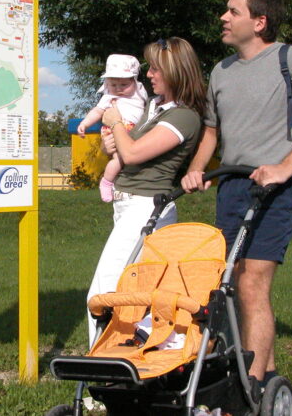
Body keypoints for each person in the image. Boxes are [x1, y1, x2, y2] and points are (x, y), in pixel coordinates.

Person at [181, 0, 292, 388]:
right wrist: (197, 168)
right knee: (232, 283)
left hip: (275, 188)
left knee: (252, 282)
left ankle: (246, 389)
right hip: (231, 187)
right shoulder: (221, 70)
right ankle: (266, 381)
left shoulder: (290, 59)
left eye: (233, 11)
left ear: (260, 21)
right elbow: (212, 131)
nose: (224, 18)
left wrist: (284, 168)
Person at [86, 37, 207, 345]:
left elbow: (133, 154)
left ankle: (101, 365)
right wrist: (109, 143)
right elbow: (123, 148)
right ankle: (133, 358)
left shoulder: (183, 116)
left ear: (175, 72)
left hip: (146, 207)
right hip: (128, 205)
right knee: (134, 293)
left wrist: (114, 123)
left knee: (104, 292)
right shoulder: (153, 107)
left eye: (155, 69)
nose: (149, 75)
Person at [77, 54, 148, 202]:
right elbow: (97, 111)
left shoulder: (139, 91)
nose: (118, 89)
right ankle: (107, 181)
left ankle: (123, 182)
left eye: (124, 85)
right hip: (115, 130)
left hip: (134, 130)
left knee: (135, 157)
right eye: (113, 85)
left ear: (134, 81)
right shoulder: (109, 97)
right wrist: (85, 123)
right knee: (119, 159)